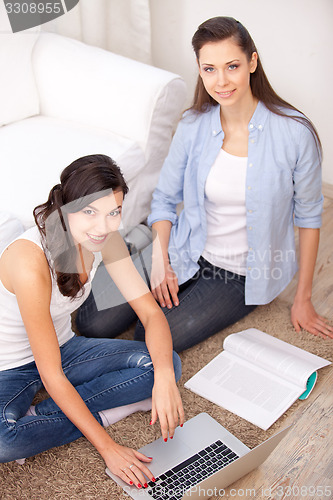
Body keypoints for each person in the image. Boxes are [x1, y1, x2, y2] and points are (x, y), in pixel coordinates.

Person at [76, 17, 333, 351]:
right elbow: (165, 199)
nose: (222, 81)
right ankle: (140, 245)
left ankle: (137, 253)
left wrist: (303, 298)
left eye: (232, 66)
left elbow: (310, 216)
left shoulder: (295, 133)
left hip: (238, 275)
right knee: (92, 323)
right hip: (184, 243)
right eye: (209, 69)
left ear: (252, 62)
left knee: (150, 336)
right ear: (199, 69)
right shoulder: (193, 124)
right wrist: (160, 261)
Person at [0, 154, 184, 490]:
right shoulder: (29, 259)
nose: (104, 226)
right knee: (4, 440)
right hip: (8, 366)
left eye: (114, 212)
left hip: (63, 347)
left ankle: (42, 418)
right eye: (90, 212)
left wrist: (166, 378)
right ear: (67, 207)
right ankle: (105, 411)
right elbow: (49, 373)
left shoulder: (106, 238)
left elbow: (151, 314)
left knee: (163, 363)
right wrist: (108, 446)